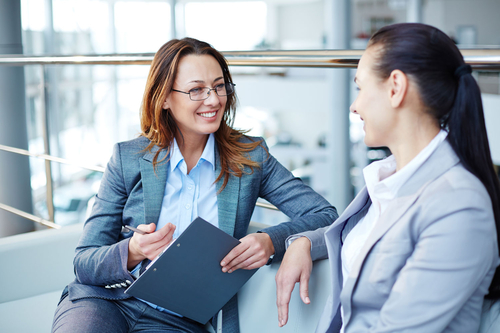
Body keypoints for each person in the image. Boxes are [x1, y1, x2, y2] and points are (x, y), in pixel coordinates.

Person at [52, 37, 338, 333]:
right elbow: (84, 262)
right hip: (107, 300)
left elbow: (326, 214)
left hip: (177, 319)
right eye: (196, 90)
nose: (213, 100)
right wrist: (133, 250)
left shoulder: (251, 158)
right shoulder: (128, 158)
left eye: (219, 86)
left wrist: (271, 241)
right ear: (164, 98)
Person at [275, 23, 500, 333]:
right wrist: (304, 241)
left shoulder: (459, 204)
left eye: (360, 88)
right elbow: (368, 239)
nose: (354, 106)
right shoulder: (390, 178)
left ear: (395, 88)